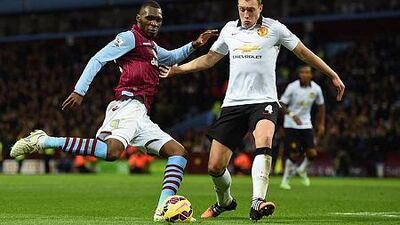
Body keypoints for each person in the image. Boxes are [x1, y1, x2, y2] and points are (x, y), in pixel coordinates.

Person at [10, 0, 217, 221]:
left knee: (179, 153)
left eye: (158, 19)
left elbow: (172, 57)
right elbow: (98, 59)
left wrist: (195, 44)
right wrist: (80, 90)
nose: (155, 23)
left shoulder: (152, 47)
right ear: (138, 19)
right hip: (126, 105)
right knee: (111, 152)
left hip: (142, 115)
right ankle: (45, 141)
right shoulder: (129, 38)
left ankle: (162, 210)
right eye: (150, 18)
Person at [160, 0, 345, 221]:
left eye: (251, 9)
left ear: (261, 8)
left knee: (264, 139)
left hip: (264, 100)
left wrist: (331, 74)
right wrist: (177, 70)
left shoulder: (275, 29)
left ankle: (257, 201)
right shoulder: (229, 30)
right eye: (242, 9)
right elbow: (210, 59)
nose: (246, 14)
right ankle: (225, 202)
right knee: (214, 166)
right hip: (233, 103)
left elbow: (303, 53)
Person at [279, 65, 326, 190]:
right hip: (291, 124)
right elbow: (281, 103)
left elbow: (321, 106)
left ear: (311, 75)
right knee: (294, 153)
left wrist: (321, 124)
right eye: (303, 72)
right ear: (299, 74)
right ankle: (285, 180)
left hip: (306, 124)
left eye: (308, 72)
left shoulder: (316, 89)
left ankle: (302, 169)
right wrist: (292, 115)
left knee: (312, 153)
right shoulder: (292, 87)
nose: (305, 74)